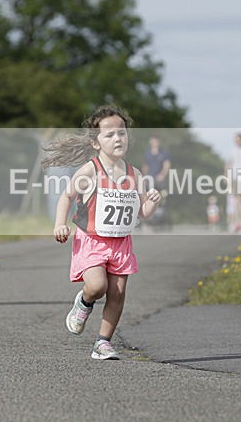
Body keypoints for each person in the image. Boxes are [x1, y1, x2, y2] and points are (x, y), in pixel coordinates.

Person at [43, 105, 161, 360]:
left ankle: (103, 342)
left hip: (121, 244)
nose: (117, 138)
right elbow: (66, 196)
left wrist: (153, 200)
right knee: (97, 286)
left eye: (121, 133)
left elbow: (143, 212)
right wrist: (59, 223)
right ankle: (84, 303)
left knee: (117, 294)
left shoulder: (134, 174)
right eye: (109, 135)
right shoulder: (90, 170)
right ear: (96, 143)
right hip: (92, 240)